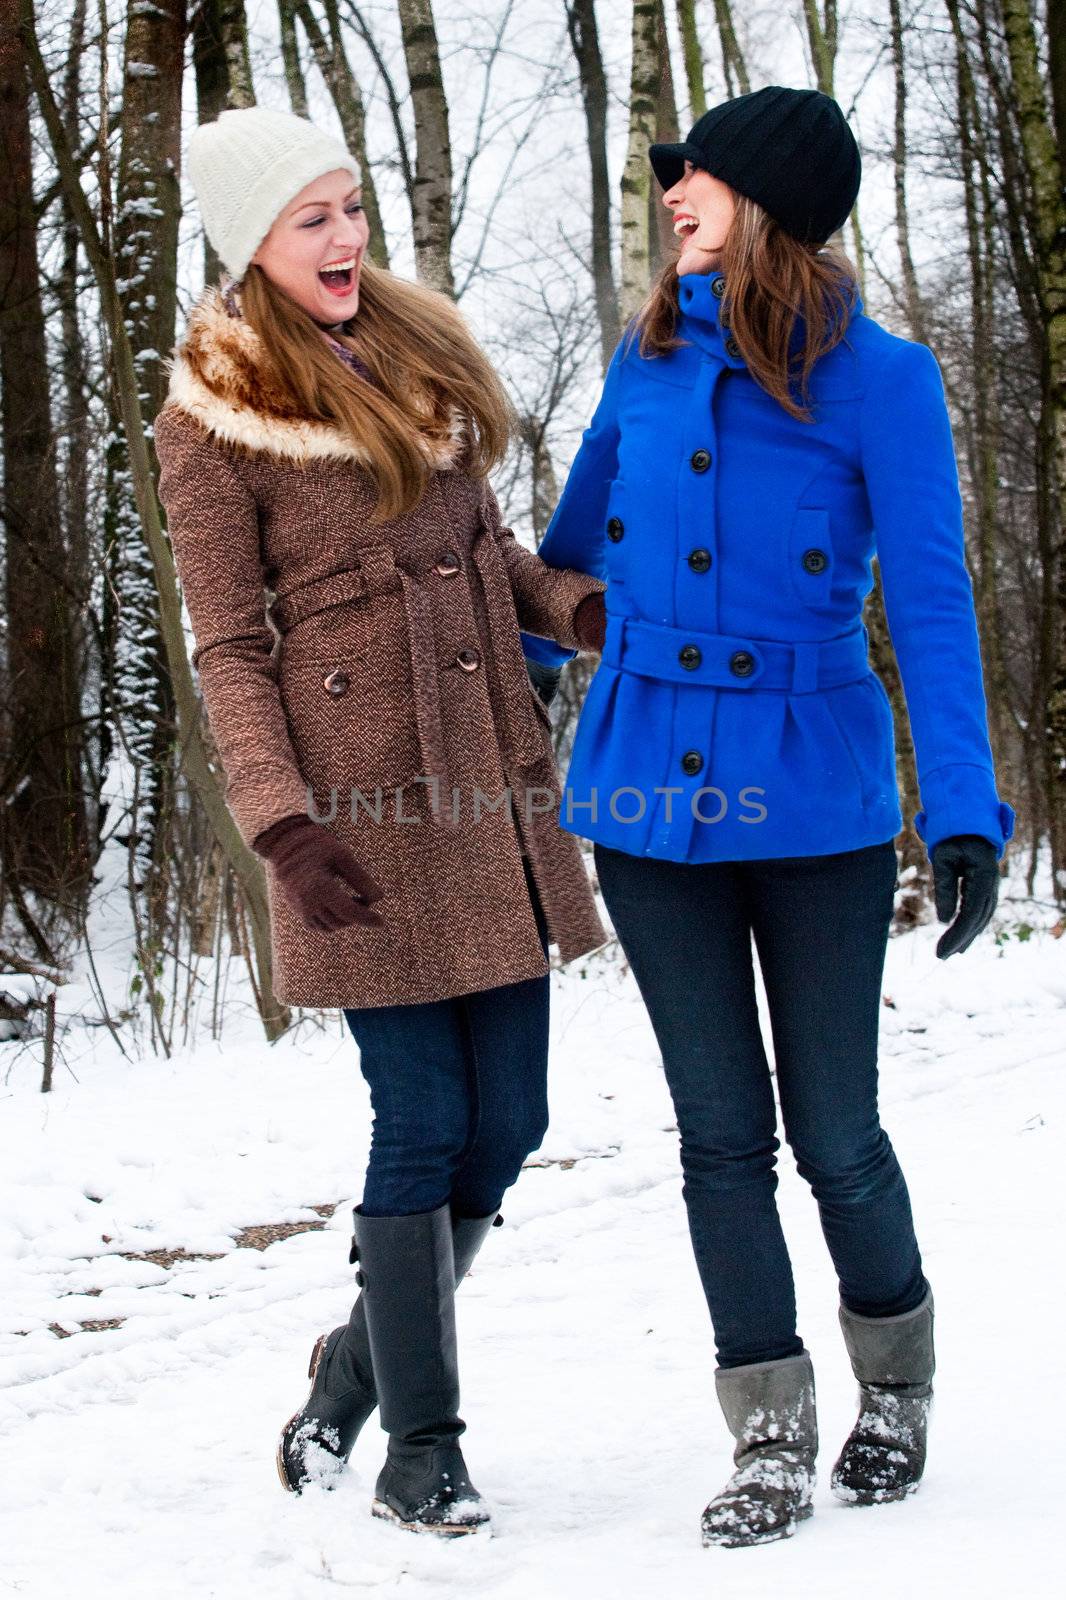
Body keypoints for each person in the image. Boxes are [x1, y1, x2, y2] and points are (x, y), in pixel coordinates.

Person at [520, 85, 1015, 1548]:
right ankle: (767, 1428)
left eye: (701, 183)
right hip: (645, 792)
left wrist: (966, 813)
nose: (673, 198)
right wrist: (489, 704)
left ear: (768, 210)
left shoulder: (884, 380)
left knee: (835, 1131)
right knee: (717, 1137)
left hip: (811, 794)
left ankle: (895, 1386)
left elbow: (928, 604)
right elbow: (562, 563)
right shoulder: (648, 355)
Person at [154, 106, 609, 1536]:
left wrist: (579, 610)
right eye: (310, 218)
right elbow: (225, 643)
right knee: (420, 1124)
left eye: (349, 207)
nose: (345, 237)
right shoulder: (208, 421)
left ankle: (348, 1368)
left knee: (514, 1121)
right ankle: (425, 1446)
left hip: (486, 783)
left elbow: (490, 556)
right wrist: (281, 826)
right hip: (356, 821)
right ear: (252, 242)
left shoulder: (413, 362)